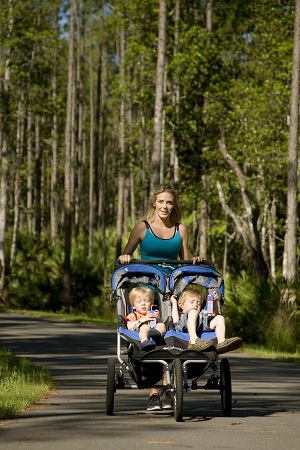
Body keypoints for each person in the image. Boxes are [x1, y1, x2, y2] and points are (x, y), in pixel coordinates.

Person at [118, 184, 206, 411]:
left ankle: (169, 388)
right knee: (153, 334)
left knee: (172, 334)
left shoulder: (181, 230)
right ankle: (154, 393)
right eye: (161, 202)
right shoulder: (142, 228)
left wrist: (194, 260)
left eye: (169, 202)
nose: (165, 206)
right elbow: (126, 253)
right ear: (153, 203)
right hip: (149, 287)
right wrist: (125, 257)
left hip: (173, 287)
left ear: (173, 205)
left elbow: (186, 265)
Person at [170, 288, 243, 354]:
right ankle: (193, 341)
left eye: (198, 303)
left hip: (201, 326)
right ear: (181, 305)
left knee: (219, 317)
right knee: (193, 312)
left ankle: (221, 342)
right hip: (184, 327)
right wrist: (173, 302)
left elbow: (215, 314)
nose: (195, 304)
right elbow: (175, 321)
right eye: (192, 302)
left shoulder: (202, 313)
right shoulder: (183, 315)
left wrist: (215, 302)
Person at [126, 286, 166, 351]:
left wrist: (158, 318)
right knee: (144, 326)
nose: (143, 304)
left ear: (151, 303)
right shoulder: (133, 315)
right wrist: (141, 320)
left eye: (146, 301)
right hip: (138, 333)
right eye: (139, 302)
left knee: (161, 325)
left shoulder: (152, 313)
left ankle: (157, 337)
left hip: (153, 331)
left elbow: (158, 323)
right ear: (133, 305)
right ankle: (144, 341)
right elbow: (128, 326)